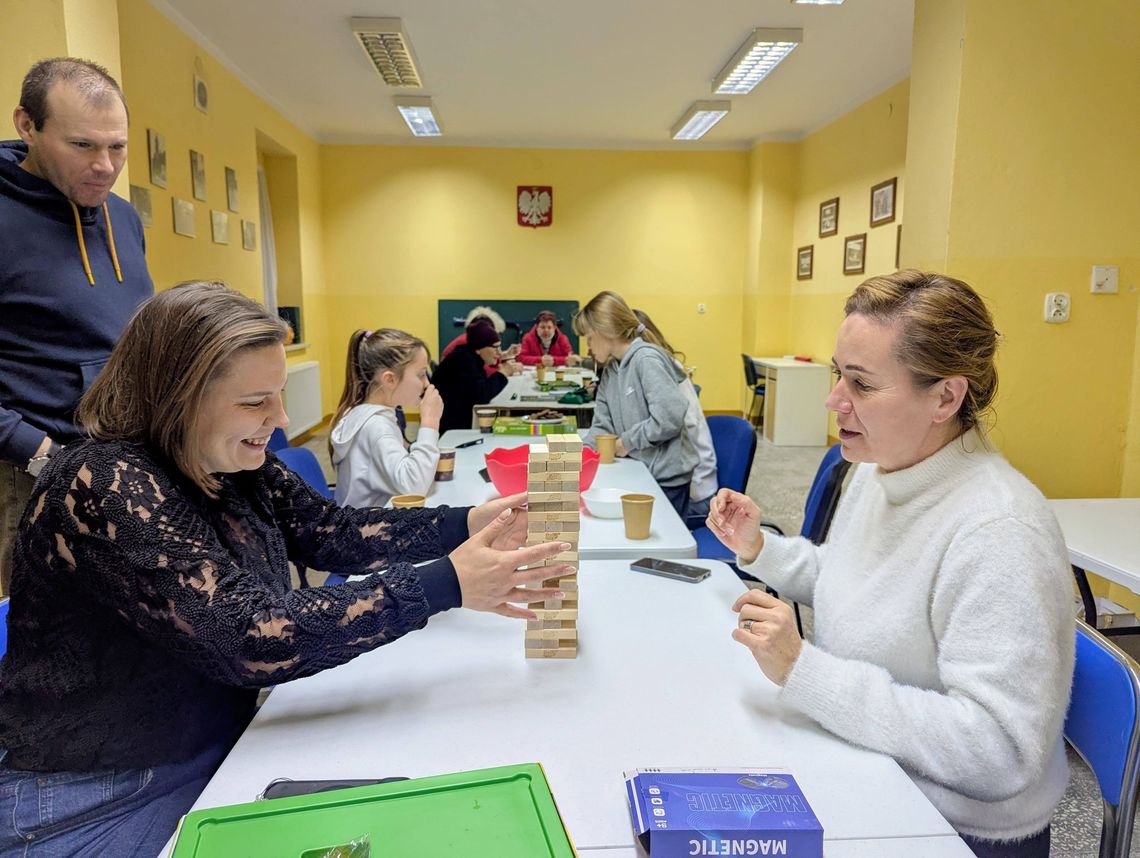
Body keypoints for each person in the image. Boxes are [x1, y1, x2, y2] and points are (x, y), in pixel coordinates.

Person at [0, 281, 573, 856]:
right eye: (256, 402)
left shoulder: (229, 457)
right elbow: (248, 635)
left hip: (211, 743)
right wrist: (446, 582)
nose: (282, 419)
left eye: (276, 395)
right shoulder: (103, 482)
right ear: (175, 397)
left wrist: (467, 523)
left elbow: (328, 531)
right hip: (96, 792)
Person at [707, 270, 1072, 858]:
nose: (834, 400)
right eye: (836, 374)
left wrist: (806, 671)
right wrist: (760, 549)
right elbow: (848, 578)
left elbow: (1000, 754)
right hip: (869, 763)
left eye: (862, 384)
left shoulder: (1000, 531)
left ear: (946, 398)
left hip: (951, 825)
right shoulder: (880, 468)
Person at [0, 58, 153, 592]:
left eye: (118, 147)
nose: (105, 166)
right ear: (28, 126)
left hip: (122, 461)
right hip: (30, 471)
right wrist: (36, 452)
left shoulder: (125, 218)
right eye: (83, 145)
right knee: (44, 649)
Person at [574, 292, 696, 515]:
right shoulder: (611, 371)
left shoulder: (646, 359)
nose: (588, 347)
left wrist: (626, 442)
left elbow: (669, 418)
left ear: (605, 332)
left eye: (589, 338)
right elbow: (602, 426)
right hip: (638, 470)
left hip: (665, 479)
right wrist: (581, 457)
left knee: (655, 545)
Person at [330, 328, 443, 508]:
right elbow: (414, 488)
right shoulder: (377, 427)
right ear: (389, 380)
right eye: (421, 374)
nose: (427, 383)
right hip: (365, 530)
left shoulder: (363, 413)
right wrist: (430, 422)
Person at [632, 309, 716, 521]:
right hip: (684, 481)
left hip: (693, 496)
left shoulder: (659, 369)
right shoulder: (657, 365)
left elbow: (666, 426)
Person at [432, 318, 521, 436]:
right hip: (451, 428)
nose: (499, 353)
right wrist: (503, 373)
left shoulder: (468, 356)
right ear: (479, 349)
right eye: (495, 348)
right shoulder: (463, 361)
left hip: (456, 419)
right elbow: (481, 396)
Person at [441, 305, 520, 376]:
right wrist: (505, 370)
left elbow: (486, 364)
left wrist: (504, 357)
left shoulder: (469, 339)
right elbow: (485, 372)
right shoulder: (466, 343)